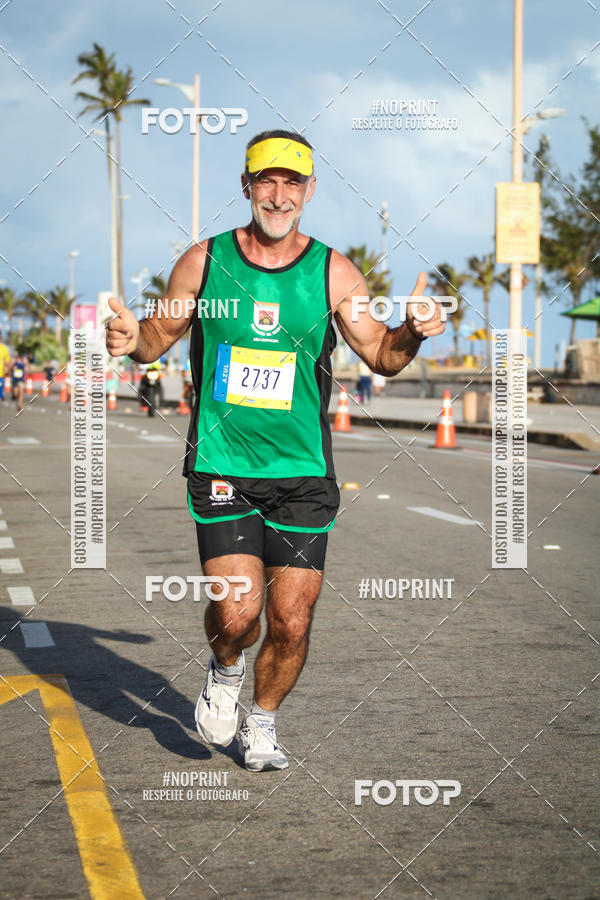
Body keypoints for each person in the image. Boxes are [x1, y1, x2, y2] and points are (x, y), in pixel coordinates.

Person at [105, 129, 447, 771]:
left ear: (310, 191)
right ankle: (226, 669)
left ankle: (260, 722)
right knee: (238, 613)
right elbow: (157, 337)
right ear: (246, 186)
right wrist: (128, 338)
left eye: (293, 182)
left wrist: (413, 330)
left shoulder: (333, 271)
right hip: (223, 463)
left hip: (304, 473)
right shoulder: (204, 262)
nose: (279, 193)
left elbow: (381, 354)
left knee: (291, 619)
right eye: (267, 179)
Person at [0, 332, 11, 406]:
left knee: (1, 386)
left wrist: (7, 368)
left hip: (1, 373)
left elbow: (7, 361)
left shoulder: (4, 348)